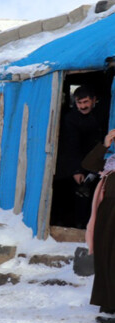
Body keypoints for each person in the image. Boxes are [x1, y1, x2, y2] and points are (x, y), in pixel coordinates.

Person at [53, 87, 107, 228]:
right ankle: (79, 225)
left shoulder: (103, 114)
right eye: (79, 102)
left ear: (94, 100)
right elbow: (71, 145)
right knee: (79, 195)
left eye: (86, 102)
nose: (83, 106)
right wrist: (76, 170)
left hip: (102, 161)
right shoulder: (71, 118)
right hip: (80, 162)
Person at [83, 128, 115, 323]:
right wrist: (105, 144)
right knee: (106, 258)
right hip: (108, 213)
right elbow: (88, 164)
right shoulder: (111, 162)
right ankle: (111, 304)